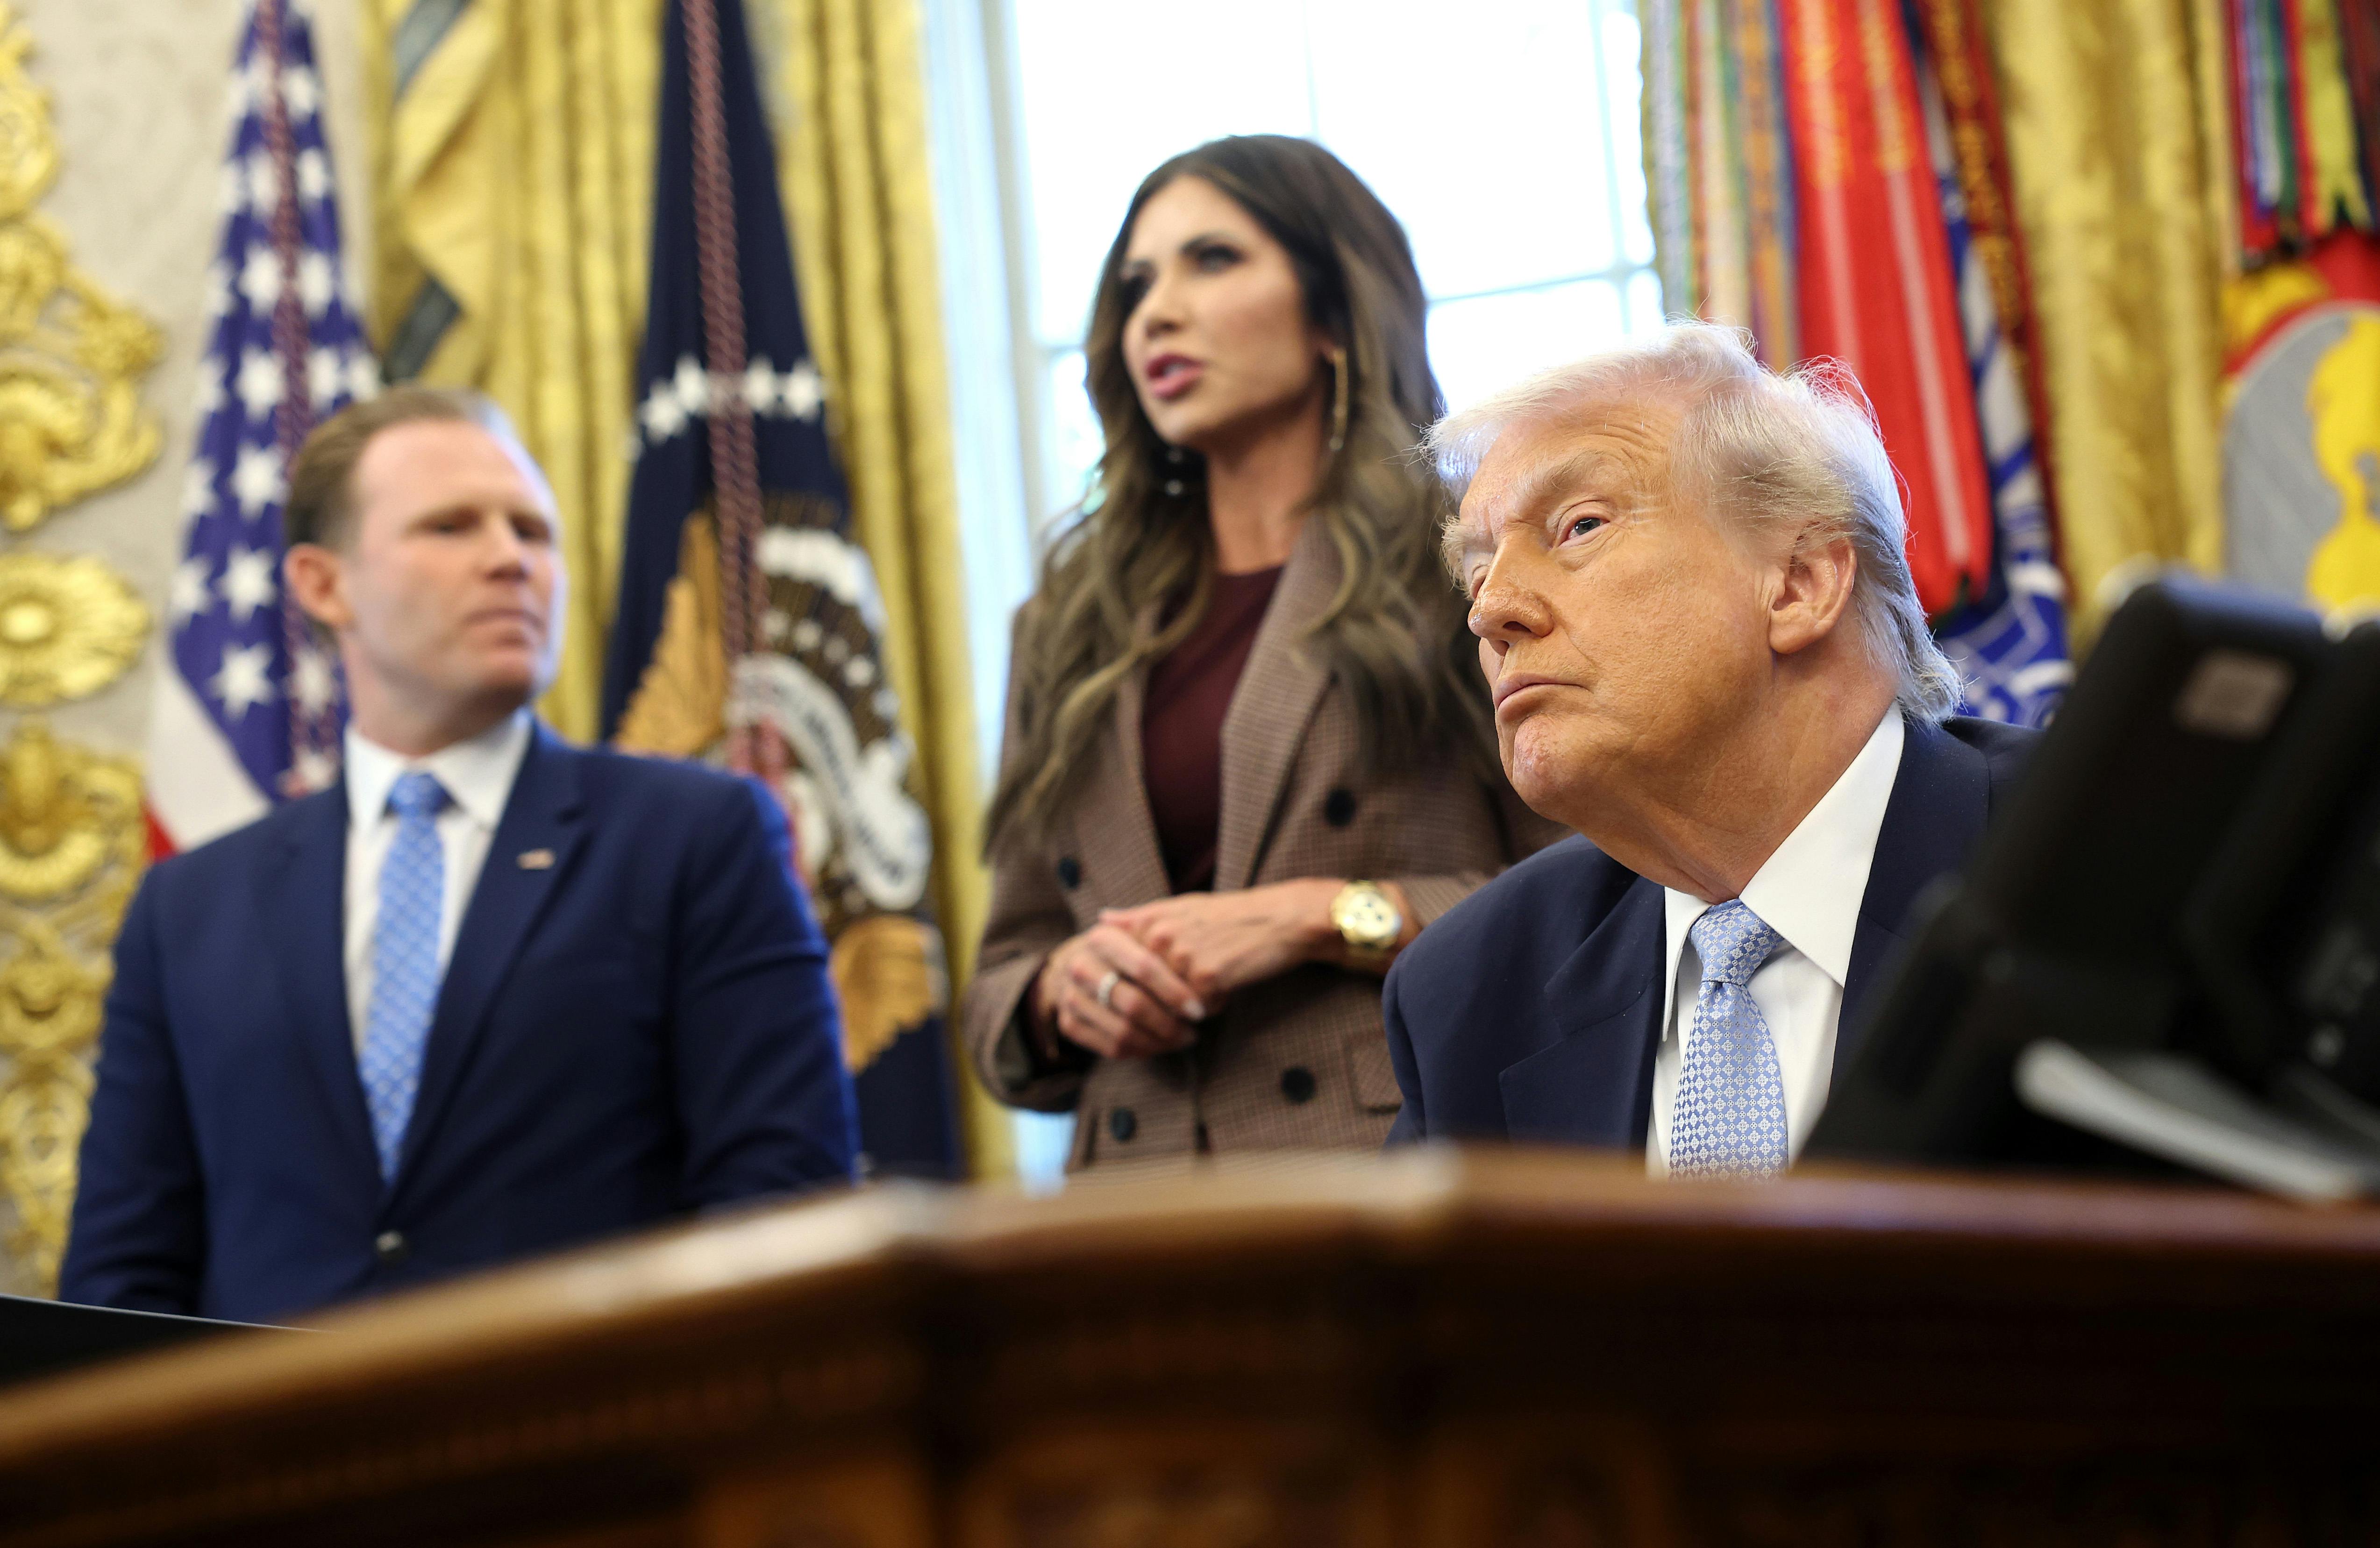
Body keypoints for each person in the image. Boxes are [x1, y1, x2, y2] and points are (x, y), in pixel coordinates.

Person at [62, 388, 856, 1323]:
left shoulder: (697, 835)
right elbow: (124, 1274)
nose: (509, 560)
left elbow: (783, 1198)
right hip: (278, 1458)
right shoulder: (190, 906)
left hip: (595, 1442)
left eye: (533, 530)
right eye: (451, 527)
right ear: (324, 585)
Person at [964, 136, 1560, 1168]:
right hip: (1127, 1219)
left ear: (1333, 313)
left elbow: (1598, 892)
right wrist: (1066, 988)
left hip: (1381, 1181)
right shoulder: (1065, 620)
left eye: (1213, 260)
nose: (1157, 310)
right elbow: (1001, 981)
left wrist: (1325, 916)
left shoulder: (1466, 561)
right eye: (1137, 282)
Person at [1384, 323, 2033, 1173]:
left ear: (1799, 584)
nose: (1491, 610)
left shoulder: (2104, 859)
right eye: (1476, 574)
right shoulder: (1467, 992)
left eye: (1577, 527)